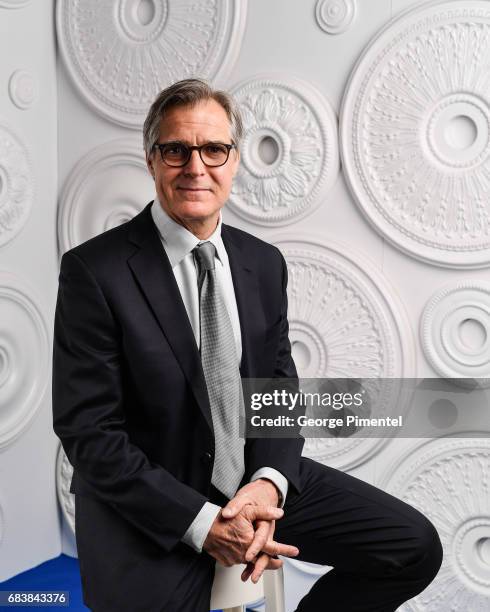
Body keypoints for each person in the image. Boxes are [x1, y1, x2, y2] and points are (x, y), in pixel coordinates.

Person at [52, 78, 443, 612]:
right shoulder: (94, 271)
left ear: (234, 161)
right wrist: (204, 522)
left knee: (412, 548)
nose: (196, 167)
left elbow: (277, 386)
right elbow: (89, 432)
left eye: (214, 149)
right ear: (151, 161)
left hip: (248, 476)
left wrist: (268, 484)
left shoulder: (262, 263)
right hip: (148, 503)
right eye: (175, 150)